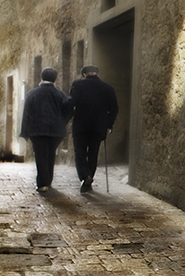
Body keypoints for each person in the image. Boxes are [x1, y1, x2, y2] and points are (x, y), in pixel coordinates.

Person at [67, 65, 118, 193]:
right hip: (98, 126)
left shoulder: (78, 84)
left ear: (84, 74)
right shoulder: (108, 88)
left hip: (81, 125)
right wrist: (108, 124)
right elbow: (114, 109)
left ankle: (85, 176)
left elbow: (71, 102)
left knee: (80, 152)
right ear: (96, 73)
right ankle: (88, 179)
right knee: (93, 153)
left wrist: (67, 115)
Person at [20, 67, 71, 192]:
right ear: (55, 79)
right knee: (50, 154)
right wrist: (62, 121)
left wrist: (24, 131)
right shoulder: (60, 94)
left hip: (37, 130)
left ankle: (43, 183)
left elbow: (26, 113)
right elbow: (69, 110)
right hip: (56, 130)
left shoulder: (32, 94)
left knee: (41, 155)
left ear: (41, 77)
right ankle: (48, 180)